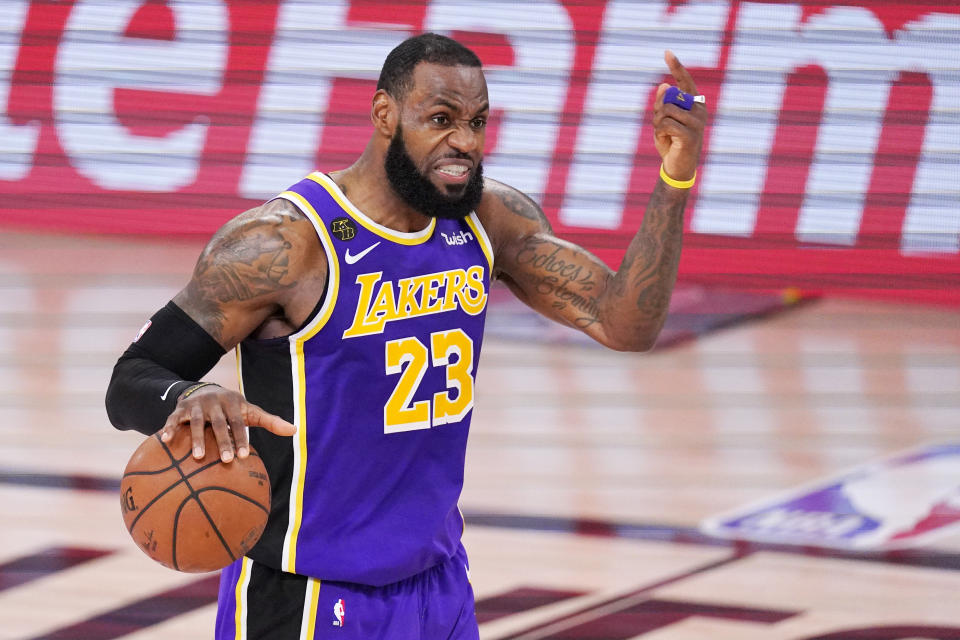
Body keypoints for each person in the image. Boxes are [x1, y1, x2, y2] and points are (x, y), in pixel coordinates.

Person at [105, 32, 706, 640]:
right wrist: (184, 396)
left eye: (477, 122)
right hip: (310, 597)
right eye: (440, 120)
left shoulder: (488, 220)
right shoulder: (286, 244)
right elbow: (132, 376)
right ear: (384, 114)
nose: (464, 143)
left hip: (438, 584)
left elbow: (626, 322)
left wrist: (674, 179)